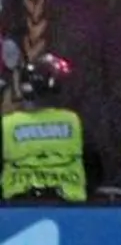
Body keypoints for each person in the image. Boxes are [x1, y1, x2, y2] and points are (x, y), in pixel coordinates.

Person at [1, 54, 89, 203]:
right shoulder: (73, 122)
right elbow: (93, 165)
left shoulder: (7, 124)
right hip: (71, 208)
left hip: (16, 210)